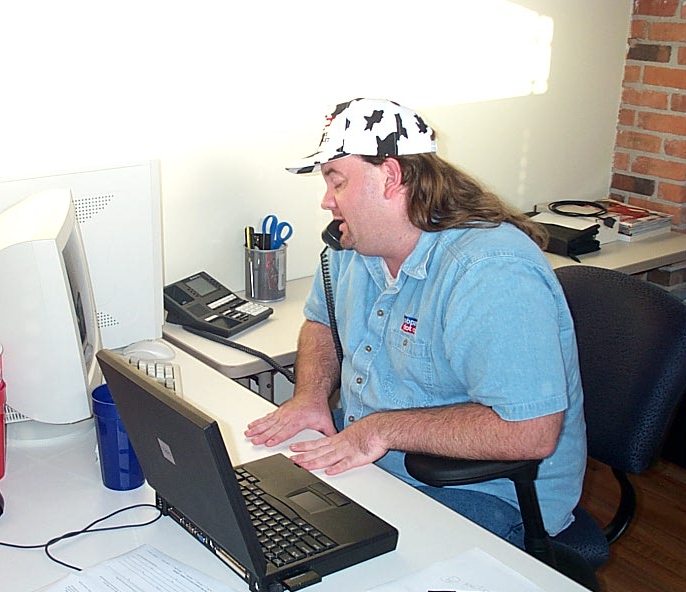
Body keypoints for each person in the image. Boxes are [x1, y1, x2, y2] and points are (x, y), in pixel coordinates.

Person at [245, 98, 587, 545]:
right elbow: (320, 322)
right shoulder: (354, 247)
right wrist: (310, 395)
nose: (327, 201)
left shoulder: (491, 272)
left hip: (483, 489)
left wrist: (380, 429)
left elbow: (530, 433)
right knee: (267, 522)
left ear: (390, 176)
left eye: (337, 182)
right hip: (379, 460)